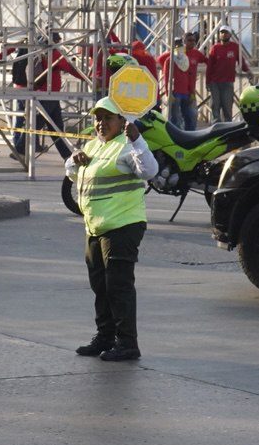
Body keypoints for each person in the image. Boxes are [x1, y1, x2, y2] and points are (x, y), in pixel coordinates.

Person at [65, 96, 159, 362]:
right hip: (95, 227)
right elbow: (71, 173)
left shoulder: (127, 145)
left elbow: (149, 171)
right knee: (100, 285)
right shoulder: (94, 145)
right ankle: (105, 336)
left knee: (118, 286)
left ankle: (127, 343)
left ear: (121, 121)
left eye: (108, 118)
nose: (101, 123)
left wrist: (137, 140)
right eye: (98, 118)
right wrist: (74, 160)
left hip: (123, 224)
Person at [14, 32, 79, 159]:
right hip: (48, 95)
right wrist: (87, 79)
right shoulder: (54, 54)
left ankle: (67, 156)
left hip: (47, 94)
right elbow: (70, 68)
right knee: (38, 124)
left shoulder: (42, 52)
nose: (59, 43)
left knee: (56, 128)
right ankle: (20, 148)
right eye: (58, 41)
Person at [158, 32, 206, 129]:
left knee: (190, 115)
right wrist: (168, 93)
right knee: (175, 117)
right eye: (176, 44)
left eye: (179, 44)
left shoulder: (186, 59)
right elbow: (166, 76)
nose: (178, 46)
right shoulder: (170, 59)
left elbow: (189, 76)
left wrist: (191, 92)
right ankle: (175, 134)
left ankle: (189, 134)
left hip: (186, 92)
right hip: (175, 92)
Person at [206, 26, 248, 122]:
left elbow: (241, 61)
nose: (223, 34)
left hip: (228, 83)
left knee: (227, 107)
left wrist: (248, 71)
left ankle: (228, 127)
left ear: (230, 34)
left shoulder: (234, 47)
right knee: (215, 106)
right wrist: (207, 82)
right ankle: (216, 127)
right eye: (222, 32)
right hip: (215, 83)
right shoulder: (215, 48)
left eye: (226, 33)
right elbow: (209, 67)